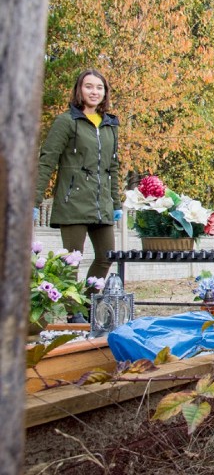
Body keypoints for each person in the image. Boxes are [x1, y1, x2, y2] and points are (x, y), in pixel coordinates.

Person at [35, 69, 121, 320]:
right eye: (89, 87)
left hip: (101, 202)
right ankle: (73, 313)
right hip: (72, 201)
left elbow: (113, 167)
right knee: (72, 260)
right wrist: (34, 199)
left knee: (106, 257)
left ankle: (86, 306)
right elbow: (47, 160)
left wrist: (115, 202)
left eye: (99, 88)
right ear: (79, 90)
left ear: (104, 93)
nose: (94, 92)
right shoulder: (66, 121)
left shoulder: (110, 124)